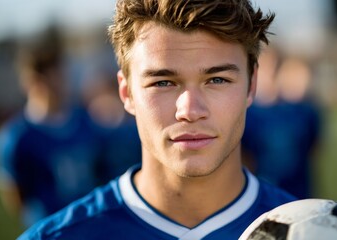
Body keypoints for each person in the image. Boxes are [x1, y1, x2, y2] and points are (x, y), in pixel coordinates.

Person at [18, 0, 297, 239]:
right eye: (163, 83)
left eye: (217, 79)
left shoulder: (318, 233)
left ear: (251, 86)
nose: (189, 109)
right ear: (126, 92)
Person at [0, 28, 104, 227]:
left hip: (91, 225)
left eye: (61, 74)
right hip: (50, 228)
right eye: (52, 76)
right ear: (33, 81)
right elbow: (16, 197)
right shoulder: (17, 136)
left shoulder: (85, 119)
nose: (60, 83)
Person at [242, 52, 321, 199]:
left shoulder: (300, 111)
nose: (270, 73)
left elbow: (313, 147)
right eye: (264, 68)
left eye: (274, 67)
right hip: (261, 195)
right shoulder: (245, 114)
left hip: (298, 192)